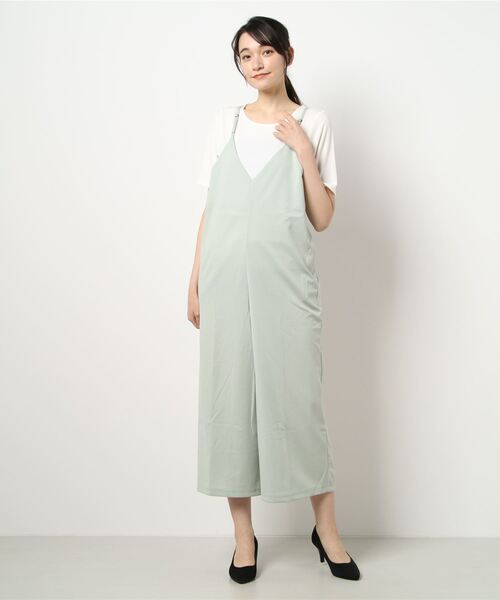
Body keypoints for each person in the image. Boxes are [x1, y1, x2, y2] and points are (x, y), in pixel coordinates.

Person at [187, 15, 361, 583]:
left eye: (265, 51)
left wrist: (304, 152)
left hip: (287, 285)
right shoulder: (226, 123)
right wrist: (193, 280)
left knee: (299, 406)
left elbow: (323, 217)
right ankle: (244, 539)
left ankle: (326, 533)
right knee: (229, 404)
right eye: (245, 55)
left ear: (287, 54)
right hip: (224, 282)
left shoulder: (313, 122)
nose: (256, 63)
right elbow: (212, 209)